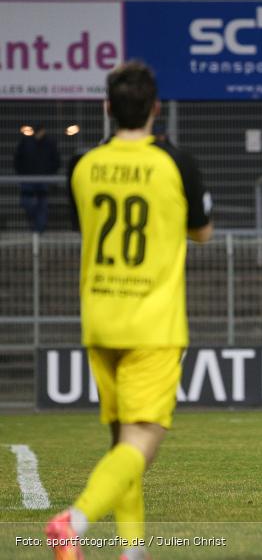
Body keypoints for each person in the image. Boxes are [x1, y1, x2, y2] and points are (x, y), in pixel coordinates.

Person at [46, 61, 213, 560]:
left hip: (99, 318)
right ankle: (72, 522)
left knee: (121, 438)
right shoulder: (176, 162)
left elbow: (88, 228)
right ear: (156, 109)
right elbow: (202, 233)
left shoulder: (82, 163)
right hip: (152, 322)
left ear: (107, 107)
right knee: (143, 440)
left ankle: (132, 549)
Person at [14, 123, 60, 233]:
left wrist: (49, 174)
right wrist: (22, 174)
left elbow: (56, 161)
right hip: (28, 179)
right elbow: (17, 159)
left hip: (43, 180)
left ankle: (38, 230)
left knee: (42, 205)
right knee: (27, 203)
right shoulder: (26, 142)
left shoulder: (50, 143)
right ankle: (35, 228)